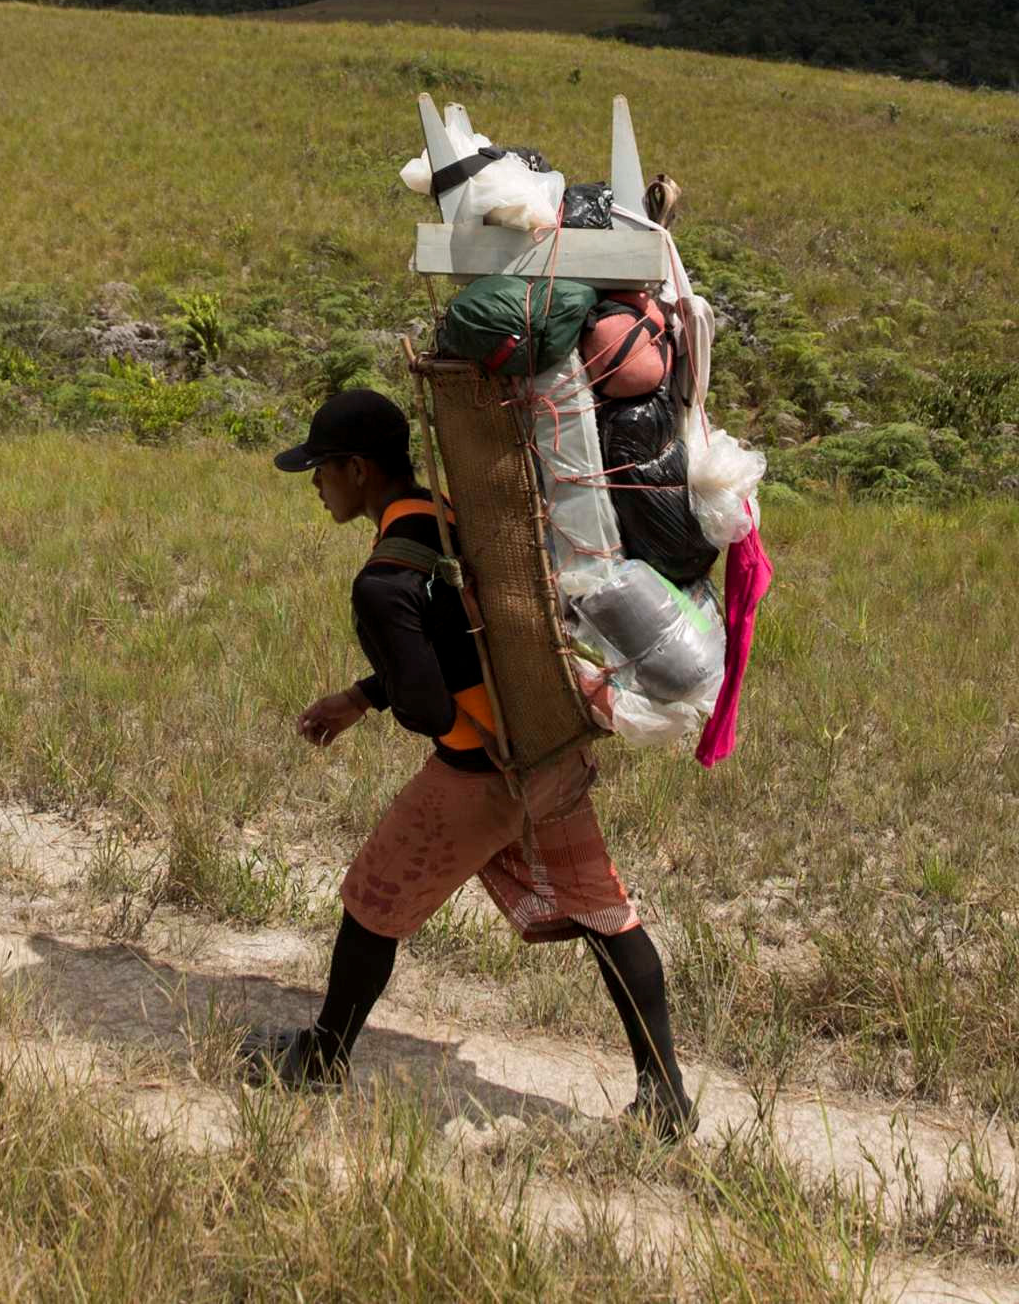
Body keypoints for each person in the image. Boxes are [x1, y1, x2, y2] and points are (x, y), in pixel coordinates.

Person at [240, 386, 695, 1137]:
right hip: (544, 753)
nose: (316, 486)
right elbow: (456, 640)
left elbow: (424, 699)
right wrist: (362, 694)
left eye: (321, 470)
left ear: (357, 469)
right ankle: (666, 1093)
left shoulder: (382, 580)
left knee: (370, 902)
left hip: (478, 777)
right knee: (606, 913)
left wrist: (457, 730)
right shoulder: (447, 517)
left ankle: (321, 1058)